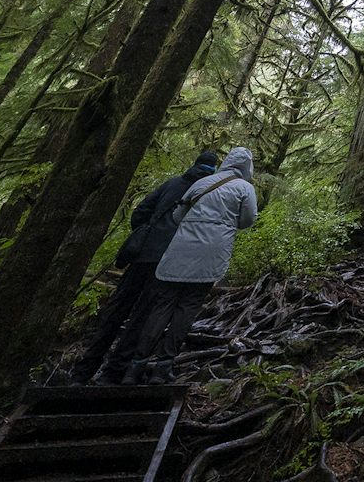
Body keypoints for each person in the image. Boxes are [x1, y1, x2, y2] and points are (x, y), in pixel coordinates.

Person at [64, 149, 219, 384]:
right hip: (169, 262)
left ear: (195, 164)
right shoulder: (208, 194)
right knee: (142, 316)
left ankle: (83, 371)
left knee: (116, 311)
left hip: (143, 256)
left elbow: (141, 211)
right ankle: (114, 372)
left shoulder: (173, 183)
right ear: (213, 171)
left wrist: (146, 234)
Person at [118, 145, 258, 384]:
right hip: (210, 255)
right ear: (247, 167)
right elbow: (247, 220)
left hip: (179, 251)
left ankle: (135, 367)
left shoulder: (202, 184)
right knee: (187, 308)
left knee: (162, 307)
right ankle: (163, 368)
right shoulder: (245, 188)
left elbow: (178, 216)